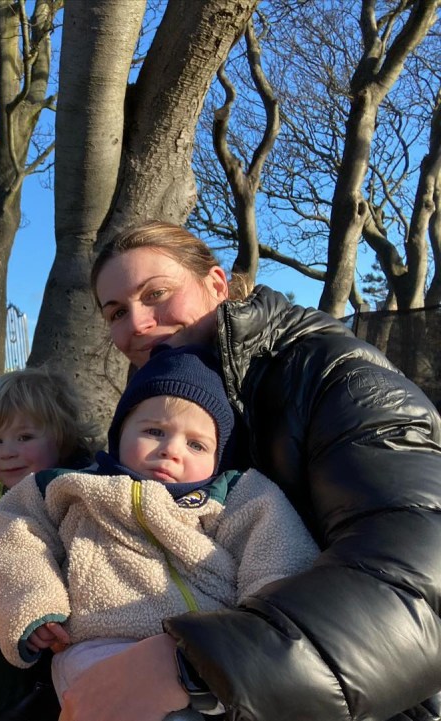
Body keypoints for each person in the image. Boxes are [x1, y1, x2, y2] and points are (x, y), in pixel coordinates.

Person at [58, 220, 441, 721]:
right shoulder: (172, 393)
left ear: (217, 284)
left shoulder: (338, 380)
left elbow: (419, 579)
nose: (137, 325)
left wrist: (197, 665)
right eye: (116, 313)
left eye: (156, 294)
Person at [0, 344, 319, 721]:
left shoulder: (237, 496)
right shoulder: (74, 487)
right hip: (102, 642)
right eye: (154, 431)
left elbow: (280, 554)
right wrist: (34, 604)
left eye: (196, 444)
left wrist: (260, 636)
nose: (171, 450)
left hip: (209, 649)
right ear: (121, 431)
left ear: (219, 455)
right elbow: (16, 535)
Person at [0, 366, 99, 490]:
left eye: (24, 438)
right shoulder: (20, 494)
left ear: (63, 437)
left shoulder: (80, 494)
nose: (7, 453)